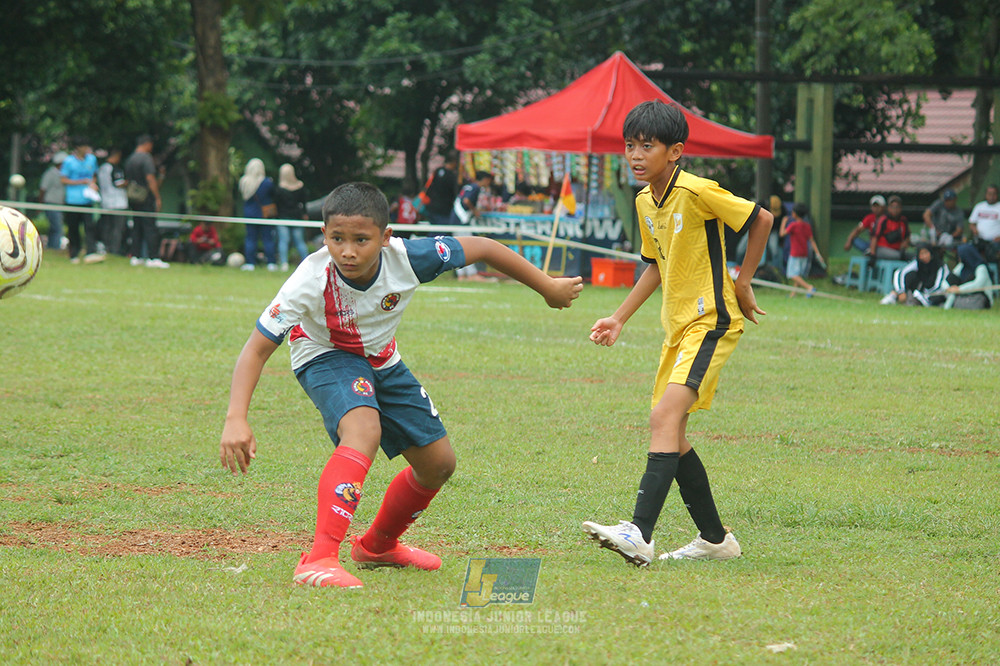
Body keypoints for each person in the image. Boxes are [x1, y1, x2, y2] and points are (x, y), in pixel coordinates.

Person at [219, 182, 583, 588]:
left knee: (439, 464)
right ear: (324, 236)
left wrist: (547, 286)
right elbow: (254, 350)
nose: (348, 251)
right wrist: (236, 417)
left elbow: (483, 247)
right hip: (323, 354)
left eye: (361, 239)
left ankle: (377, 546)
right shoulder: (309, 279)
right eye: (337, 239)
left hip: (381, 357)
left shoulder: (410, 258)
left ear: (386, 238)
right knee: (363, 429)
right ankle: (319, 559)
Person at [581, 100, 773, 565]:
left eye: (648, 145)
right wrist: (619, 317)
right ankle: (715, 540)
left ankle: (640, 534)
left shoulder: (698, 190)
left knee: (662, 420)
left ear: (676, 151)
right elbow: (655, 265)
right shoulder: (646, 201)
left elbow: (760, 219)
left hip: (712, 322)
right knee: (674, 430)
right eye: (630, 145)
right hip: (678, 328)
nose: (636, 154)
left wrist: (742, 280)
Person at [125, 134, 169, 268]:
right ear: (147, 144)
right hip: (145, 197)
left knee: (137, 226)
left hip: (133, 196)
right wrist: (157, 197)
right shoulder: (146, 158)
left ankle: (136, 256)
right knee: (150, 227)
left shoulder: (130, 159)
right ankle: (153, 257)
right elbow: (150, 179)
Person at [60, 136, 103, 264]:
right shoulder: (69, 161)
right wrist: (80, 182)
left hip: (87, 200)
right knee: (73, 228)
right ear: (78, 148)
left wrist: (93, 184)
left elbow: (94, 175)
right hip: (72, 200)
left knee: (89, 226)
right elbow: (63, 179)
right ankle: (74, 253)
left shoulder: (91, 159)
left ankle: (90, 252)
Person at [449, 170, 494, 281]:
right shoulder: (475, 188)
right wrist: (475, 211)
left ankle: (462, 275)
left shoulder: (468, 186)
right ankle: (471, 274)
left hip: (455, 219)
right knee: (467, 247)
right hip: (462, 220)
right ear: (485, 180)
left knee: (459, 246)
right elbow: (467, 200)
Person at [879, 243, 949, 306]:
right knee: (911, 275)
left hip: (935, 294)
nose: (924, 256)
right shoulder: (917, 262)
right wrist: (901, 291)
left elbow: (939, 286)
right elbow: (900, 273)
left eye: (926, 253)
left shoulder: (940, 266)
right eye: (921, 254)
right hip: (920, 292)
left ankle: (917, 300)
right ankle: (894, 296)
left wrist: (923, 294)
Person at [239, 158, 277, 271]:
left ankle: (250, 263)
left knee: (250, 239)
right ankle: (271, 262)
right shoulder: (266, 182)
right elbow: (272, 194)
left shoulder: (244, 182)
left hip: (249, 214)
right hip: (264, 215)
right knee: (267, 239)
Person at [780, 202, 824, 296]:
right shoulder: (807, 226)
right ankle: (793, 294)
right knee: (798, 275)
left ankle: (809, 287)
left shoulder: (793, 225)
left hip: (795, 254)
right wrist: (818, 253)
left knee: (791, 275)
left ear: (795, 214)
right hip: (804, 254)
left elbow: (782, 234)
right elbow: (812, 241)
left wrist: (784, 222)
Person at [274, 163, 311, 270]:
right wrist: (304, 214)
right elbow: (304, 203)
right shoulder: (300, 187)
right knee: (300, 242)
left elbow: (276, 204)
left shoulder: (279, 189)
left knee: (283, 241)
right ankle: (307, 262)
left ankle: (284, 263)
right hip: (297, 217)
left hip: (283, 217)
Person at [97, 147, 128, 256]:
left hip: (105, 202)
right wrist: (128, 183)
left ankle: (106, 247)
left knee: (107, 227)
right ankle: (115, 250)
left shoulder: (101, 168)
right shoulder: (115, 169)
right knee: (118, 229)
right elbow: (118, 183)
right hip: (118, 203)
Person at [943, 243, 993, 310]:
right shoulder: (962, 266)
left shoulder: (981, 268)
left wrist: (959, 289)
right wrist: (948, 288)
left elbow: (977, 285)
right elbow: (948, 280)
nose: (959, 258)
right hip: (965, 295)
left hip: (980, 297)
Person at [38, 151, 67, 250]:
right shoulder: (50, 173)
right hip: (50, 203)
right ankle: (55, 247)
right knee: (57, 227)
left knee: (54, 227)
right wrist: (40, 204)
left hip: (59, 204)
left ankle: (51, 246)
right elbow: (43, 189)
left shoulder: (64, 175)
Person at [422, 154, 459, 226]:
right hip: (444, 209)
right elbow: (454, 192)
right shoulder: (451, 176)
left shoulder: (437, 171)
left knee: (434, 229)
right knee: (442, 230)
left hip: (431, 206)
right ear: (453, 162)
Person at [869, 195, 910, 260]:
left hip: (897, 250)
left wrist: (903, 248)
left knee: (913, 256)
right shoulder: (883, 219)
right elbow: (874, 237)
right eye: (892, 207)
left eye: (897, 207)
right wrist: (872, 254)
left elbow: (906, 237)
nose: (895, 209)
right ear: (888, 208)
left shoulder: (903, 220)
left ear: (901, 208)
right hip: (881, 249)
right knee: (899, 256)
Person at [968, 184, 1000, 264]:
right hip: (980, 240)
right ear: (986, 195)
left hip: (995, 242)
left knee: (992, 254)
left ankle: (993, 274)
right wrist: (974, 230)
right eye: (989, 194)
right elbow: (972, 223)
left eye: (994, 194)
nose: (991, 196)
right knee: (967, 249)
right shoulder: (979, 206)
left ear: (997, 195)